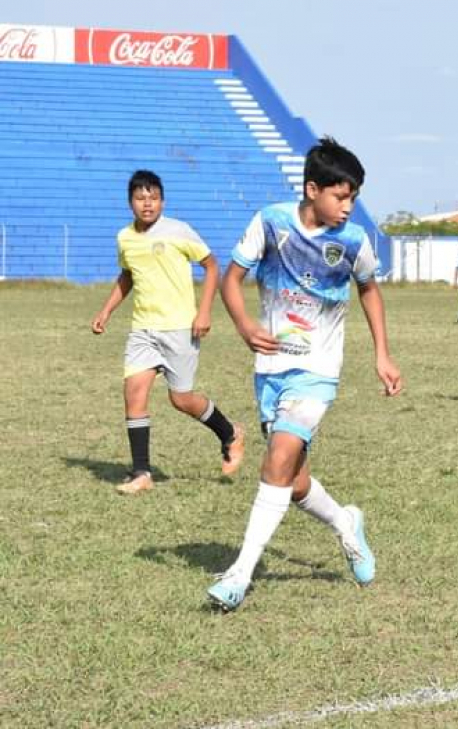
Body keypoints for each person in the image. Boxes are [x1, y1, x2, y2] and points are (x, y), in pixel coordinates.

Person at [208, 138, 402, 611]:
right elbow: (230, 278)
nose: (348, 206)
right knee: (292, 482)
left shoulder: (354, 241)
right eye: (341, 196)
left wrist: (383, 354)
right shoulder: (271, 222)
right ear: (312, 190)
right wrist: (245, 326)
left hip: (317, 370)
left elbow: (370, 291)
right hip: (270, 370)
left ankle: (239, 574)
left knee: (277, 456)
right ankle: (344, 523)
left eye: (353, 197)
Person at [90, 170, 245, 496]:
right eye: (140, 198)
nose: (147, 204)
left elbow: (212, 265)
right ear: (130, 202)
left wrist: (203, 311)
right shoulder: (125, 238)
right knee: (133, 393)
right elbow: (127, 276)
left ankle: (229, 432)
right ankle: (142, 472)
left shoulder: (178, 230)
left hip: (180, 328)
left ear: (162, 200)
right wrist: (106, 310)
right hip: (143, 330)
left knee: (181, 399)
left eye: (154, 197)